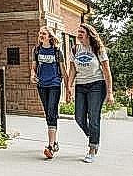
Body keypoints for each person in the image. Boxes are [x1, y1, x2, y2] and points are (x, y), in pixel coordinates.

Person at [68, 23, 114, 163]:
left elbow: (106, 71)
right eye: (78, 31)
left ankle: (92, 148)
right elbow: (73, 70)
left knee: (94, 117)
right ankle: (93, 135)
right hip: (81, 86)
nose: (79, 34)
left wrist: (110, 92)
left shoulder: (98, 49)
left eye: (82, 32)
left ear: (88, 33)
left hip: (96, 85)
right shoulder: (75, 49)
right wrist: (69, 87)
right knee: (79, 118)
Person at [31, 26, 69, 159]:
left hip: (54, 83)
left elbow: (63, 70)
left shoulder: (57, 51)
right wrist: (32, 75)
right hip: (41, 84)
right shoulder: (36, 50)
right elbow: (34, 67)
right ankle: (55, 142)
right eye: (40, 33)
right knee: (48, 113)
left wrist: (68, 89)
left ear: (50, 36)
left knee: (52, 112)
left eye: (44, 33)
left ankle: (51, 146)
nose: (41, 35)